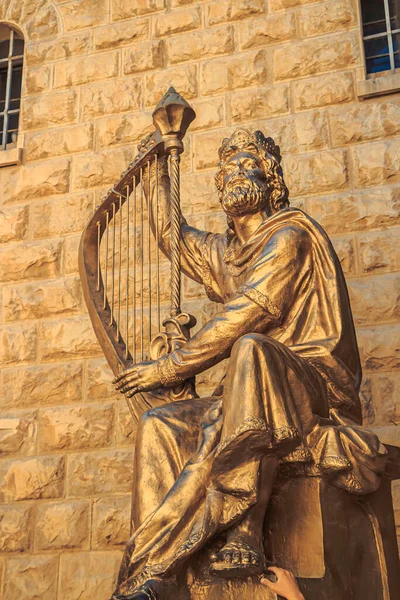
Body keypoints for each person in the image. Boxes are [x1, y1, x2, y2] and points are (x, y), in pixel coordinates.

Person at [111, 129, 387, 599]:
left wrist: (167, 368)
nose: (234, 174)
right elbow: (171, 238)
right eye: (226, 168)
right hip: (250, 392)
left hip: (313, 387)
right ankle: (153, 574)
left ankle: (244, 524)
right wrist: (157, 168)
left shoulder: (290, 234)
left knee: (252, 347)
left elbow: (250, 313)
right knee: (160, 423)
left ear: (272, 178)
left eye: (246, 164)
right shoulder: (228, 251)